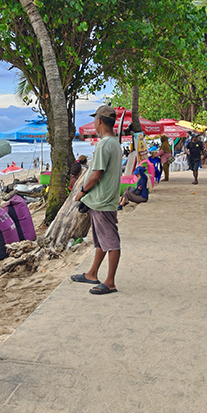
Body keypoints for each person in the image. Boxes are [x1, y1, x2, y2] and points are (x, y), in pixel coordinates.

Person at [71, 105, 122, 295]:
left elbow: (96, 174)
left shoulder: (104, 145)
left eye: (94, 119)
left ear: (99, 120)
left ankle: (110, 282)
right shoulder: (115, 143)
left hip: (103, 200)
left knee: (111, 241)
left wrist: (82, 192)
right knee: (101, 240)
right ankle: (92, 273)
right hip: (105, 198)